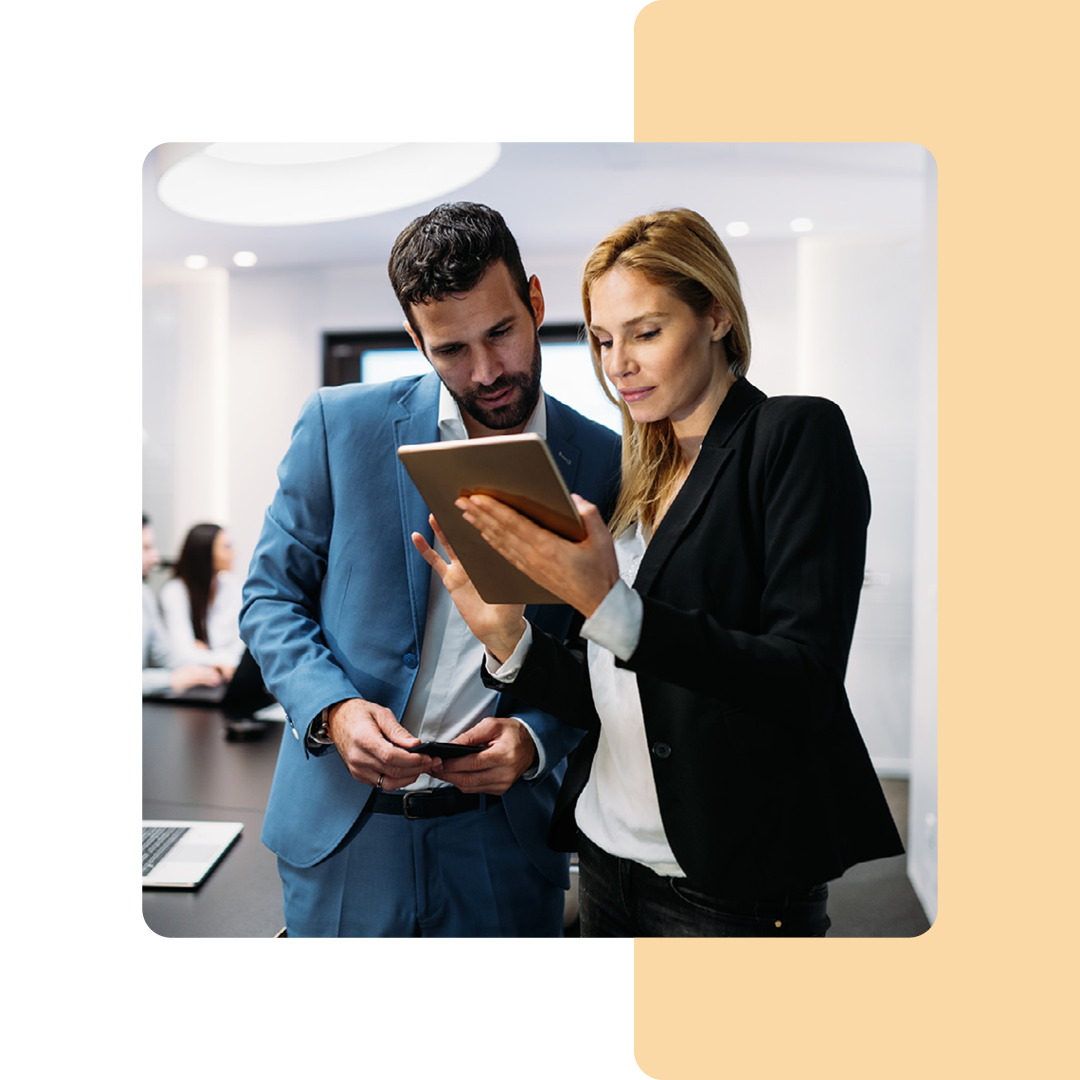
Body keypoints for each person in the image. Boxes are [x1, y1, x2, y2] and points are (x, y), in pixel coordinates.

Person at [415, 208, 905, 937]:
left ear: (715, 315)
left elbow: (802, 679)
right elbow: (614, 689)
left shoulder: (795, 435)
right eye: (603, 340)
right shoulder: (634, 477)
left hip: (726, 882)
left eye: (646, 332)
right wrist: (509, 641)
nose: (619, 365)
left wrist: (606, 604)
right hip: (607, 856)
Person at [240, 202, 621, 937]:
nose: (486, 372)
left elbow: (603, 656)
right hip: (345, 838)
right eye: (450, 349)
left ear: (536, 302)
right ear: (416, 339)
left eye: (502, 332)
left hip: (502, 842)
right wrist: (333, 709)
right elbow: (268, 596)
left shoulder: (605, 462)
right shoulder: (338, 424)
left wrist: (536, 738)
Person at [142, 514, 223, 695]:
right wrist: (170, 679)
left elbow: (164, 655)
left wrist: (206, 666)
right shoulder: (173, 591)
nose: (155, 557)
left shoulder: (144, 595)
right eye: (146, 548)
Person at [160, 522, 245, 678]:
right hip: (195, 680)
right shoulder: (175, 592)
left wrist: (206, 654)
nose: (234, 552)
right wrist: (221, 660)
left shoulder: (232, 586)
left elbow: (242, 644)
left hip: (230, 676)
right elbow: (182, 654)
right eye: (226, 547)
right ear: (205, 553)